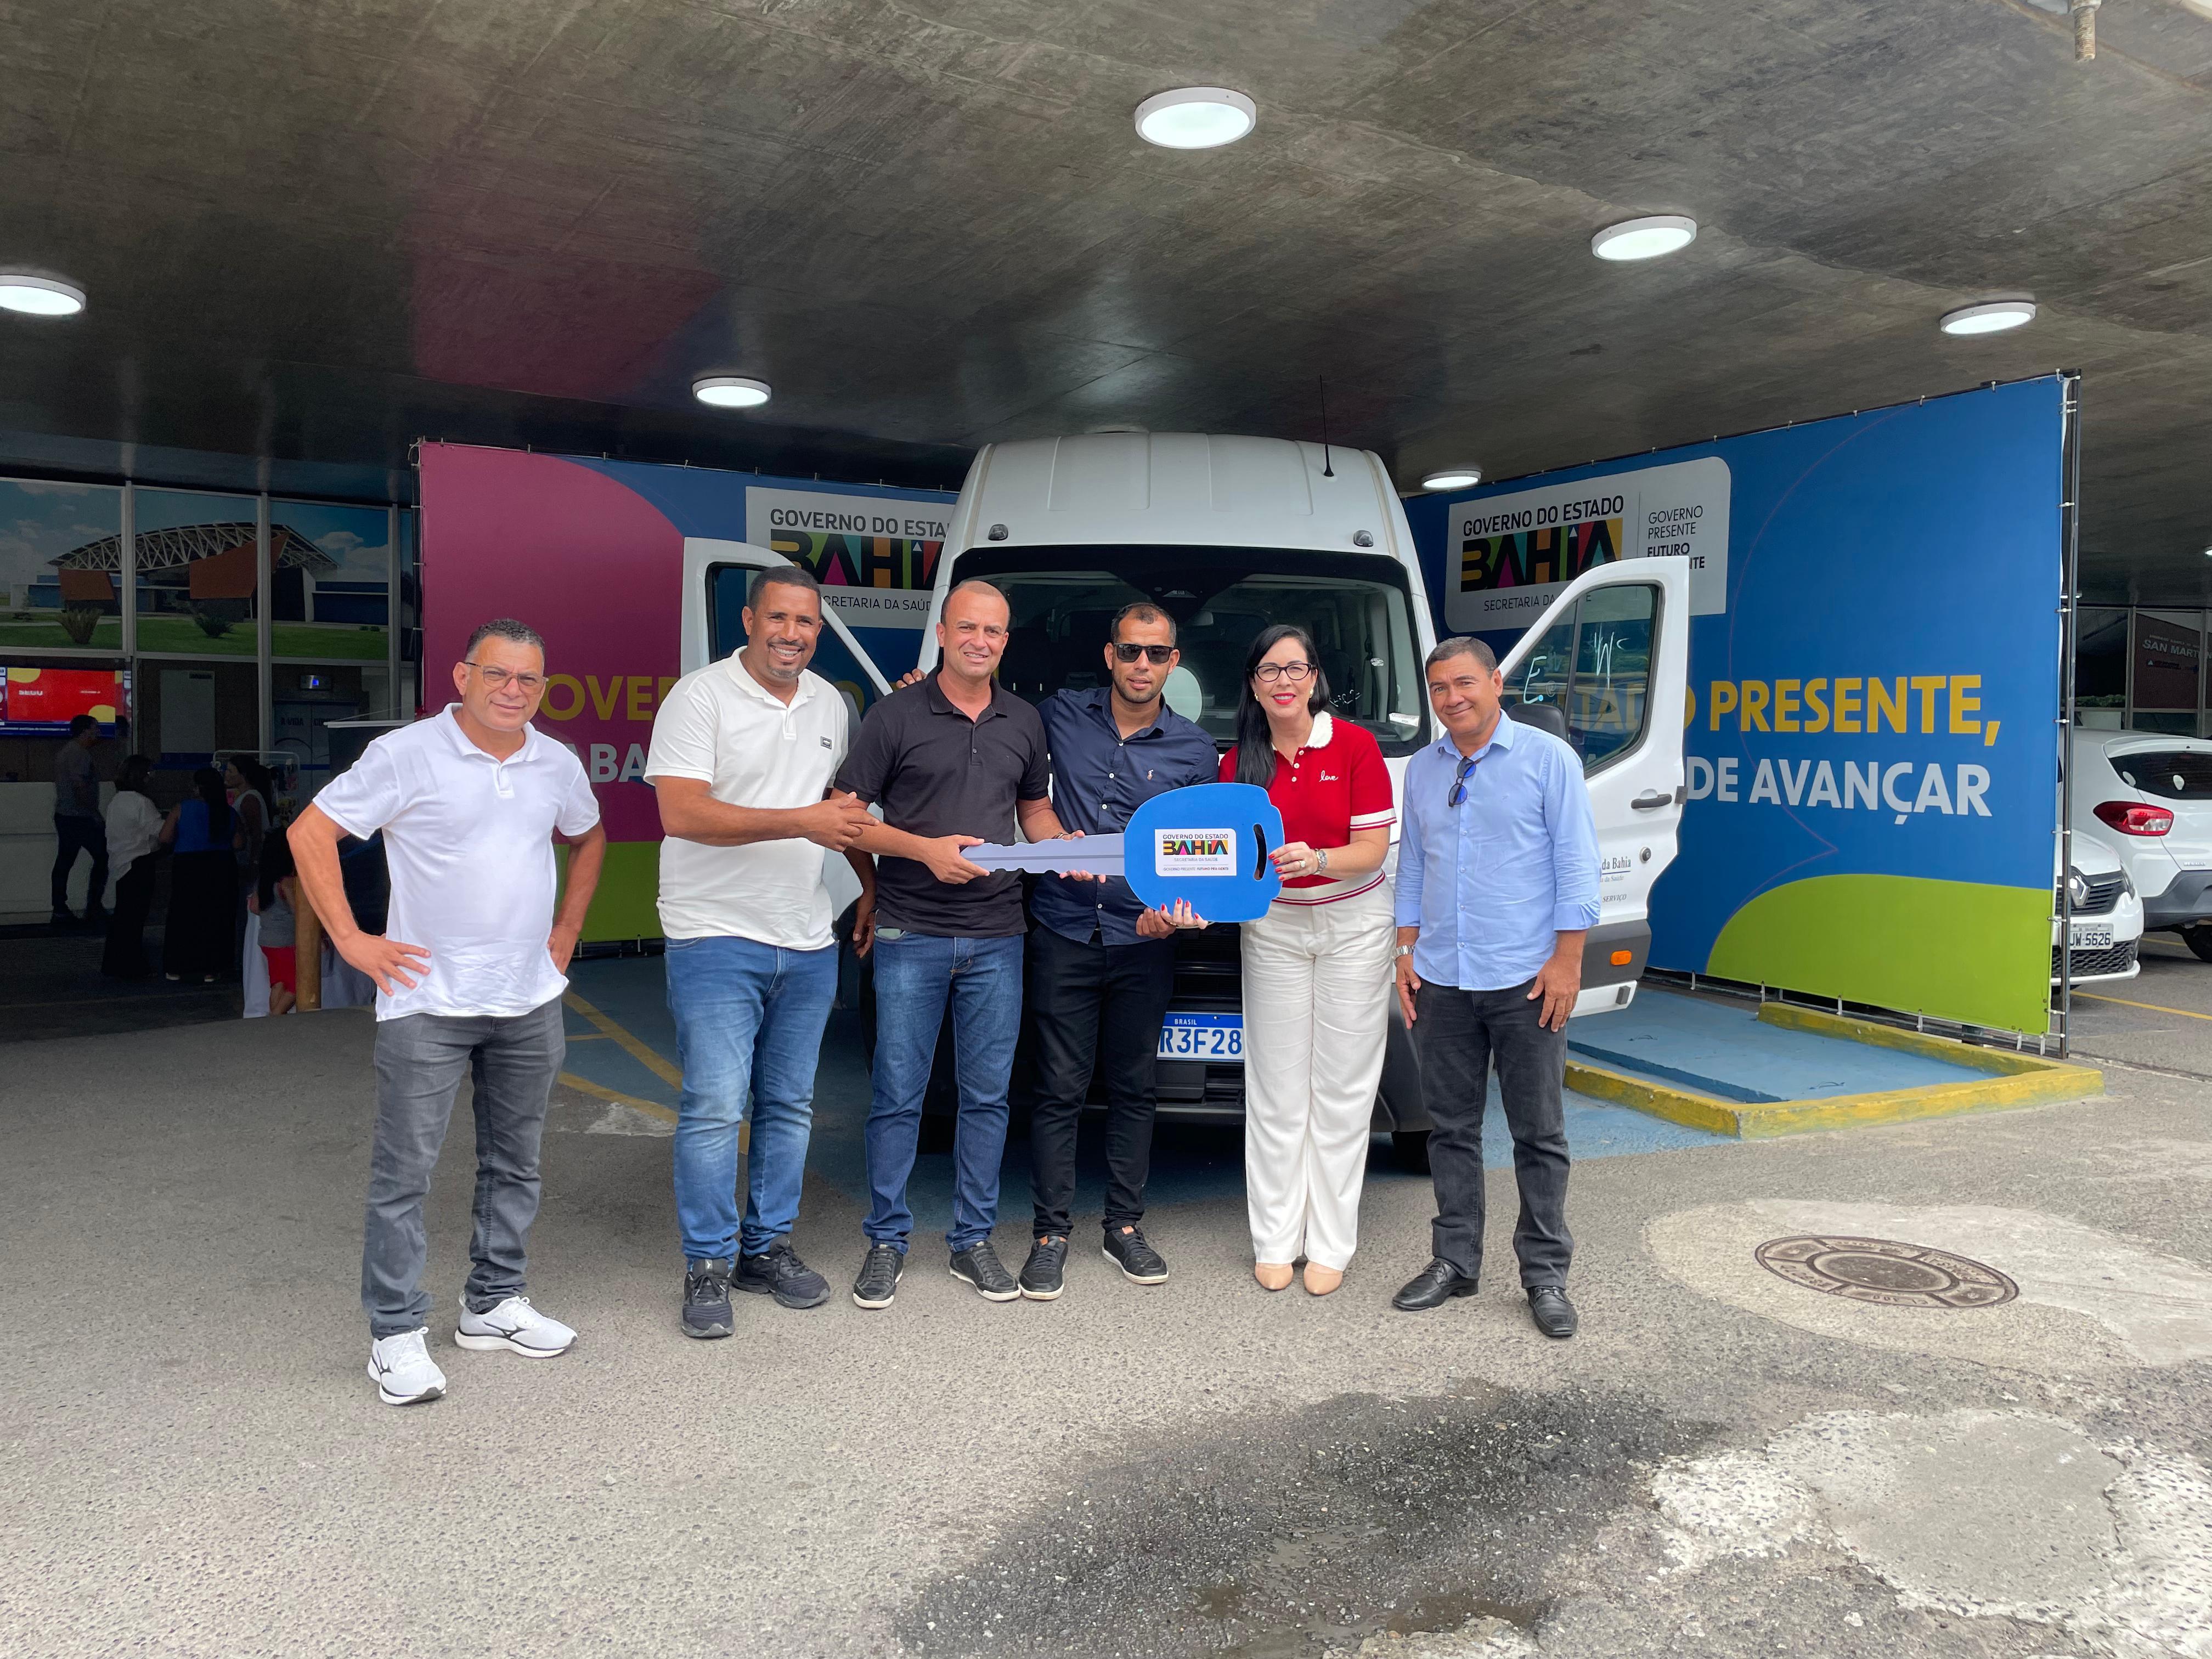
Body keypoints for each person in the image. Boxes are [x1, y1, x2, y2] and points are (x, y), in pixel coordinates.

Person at [290, 618, 606, 1407]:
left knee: (516, 1162)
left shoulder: (555, 762)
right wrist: (351, 940)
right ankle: (395, 1332)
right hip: (428, 1002)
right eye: (497, 674)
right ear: (462, 677)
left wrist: (567, 929)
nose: (513, 691)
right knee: (405, 1174)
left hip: (527, 998)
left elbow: (590, 836)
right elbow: (311, 832)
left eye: (529, 679)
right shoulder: (407, 753)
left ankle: (493, 1303)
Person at [645, 565, 877, 1339]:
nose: (792, 634)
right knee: (715, 1105)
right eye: (778, 618)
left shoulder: (830, 704)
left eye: (806, 622)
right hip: (714, 931)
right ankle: (708, 1263)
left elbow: (841, 813)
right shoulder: (700, 697)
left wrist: (868, 885)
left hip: (805, 936)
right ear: (749, 621)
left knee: (788, 1104)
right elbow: (683, 813)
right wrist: (801, 822)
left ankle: (765, 1249)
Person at [836, 578, 1068, 1308]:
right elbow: (844, 816)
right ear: (942, 632)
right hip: (910, 931)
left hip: (998, 935)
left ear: (1006, 641)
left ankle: (973, 1241)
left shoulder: (1023, 720)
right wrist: (922, 851)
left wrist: (1067, 848)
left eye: (993, 631)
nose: (980, 641)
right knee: (898, 1096)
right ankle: (886, 1240)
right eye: (968, 627)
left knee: (988, 1099)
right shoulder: (895, 715)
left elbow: (1034, 810)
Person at [1390, 636, 1599, 1340]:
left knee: (1538, 1133)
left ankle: (1545, 1275)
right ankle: (1455, 1262)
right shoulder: (1424, 769)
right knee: (1450, 1129)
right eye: (1440, 688)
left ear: (1497, 682)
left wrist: (1568, 960)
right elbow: (1414, 866)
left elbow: (1577, 864)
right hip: (1443, 977)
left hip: (1526, 978)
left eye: (1465, 683)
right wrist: (1406, 950)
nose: (1453, 698)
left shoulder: (1549, 759)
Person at [1018, 602, 1218, 1301]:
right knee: (1057, 1091)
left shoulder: (1196, 750)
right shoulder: (1058, 714)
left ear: (1174, 662)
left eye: (1156, 653)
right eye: (1130, 650)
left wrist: (1175, 917)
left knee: (1135, 1088)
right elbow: (996, 732)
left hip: (1143, 940)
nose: (1142, 664)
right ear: (1110, 655)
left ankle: (1124, 1226)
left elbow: (1196, 857)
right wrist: (920, 689)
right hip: (1064, 929)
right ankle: (1050, 1235)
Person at [1218, 625, 1397, 1297]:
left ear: (1315, 678)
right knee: (1276, 1088)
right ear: (1254, 684)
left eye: (1296, 668)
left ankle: (1329, 1243)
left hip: (1354, 925)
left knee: (1343, 1089)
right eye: (1270, 670)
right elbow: (1227, 863)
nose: (1284, 681)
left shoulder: (1354, 745)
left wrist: (1318, 859)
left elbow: (1371, 851)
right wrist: (1196, 900)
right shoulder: (1237, 762)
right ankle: (1274, 1239)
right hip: (1274, 928)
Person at [159, 768, 237, 983]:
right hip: (221, 864)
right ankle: (212, 968)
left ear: (197, 788)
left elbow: (165, 837)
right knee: (216, 916)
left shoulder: (182, 808)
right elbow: (239, 843)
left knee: (183, 914)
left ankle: (177, 967)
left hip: (188, 865)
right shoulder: (228, 812)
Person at [100, 756, 162, 978]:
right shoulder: (142, 803)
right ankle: (132, 963)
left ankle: (115, 962)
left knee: (123, 917)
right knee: (135, 918)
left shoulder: (116, 801)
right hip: (140, 861)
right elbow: (160, 831)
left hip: (121, 861)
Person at [50, 714, 108, 928]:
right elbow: (80, 786)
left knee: (65, 862)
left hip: (67, 815)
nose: (98, 733)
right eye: (95, 728)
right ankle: (94, 906)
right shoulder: (79, 754)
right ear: (85, 732)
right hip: (79, 817)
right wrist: (94, 813)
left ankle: (60, 908)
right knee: (103, 857)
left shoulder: (68, 751)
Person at [251, 832, 302, 1016]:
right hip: (285, 941)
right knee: (298, 983)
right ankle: (275, 1018)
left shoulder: (264, 880)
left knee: (279, 982)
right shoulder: (287, 883)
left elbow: (254, 907)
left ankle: (275, 1018)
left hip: (267, 939)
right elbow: (299, 913)